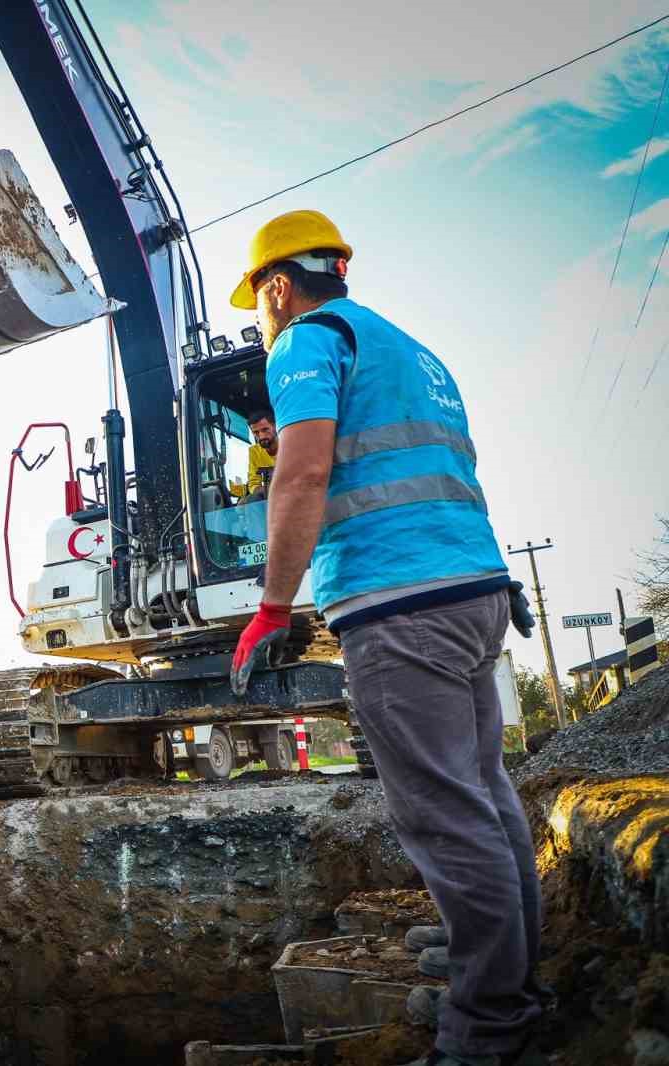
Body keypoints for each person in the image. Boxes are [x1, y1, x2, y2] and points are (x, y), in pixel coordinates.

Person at [226, 211, 543, 1066]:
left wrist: (273, 604)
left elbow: (304, 473)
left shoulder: (302, 342)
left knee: (443, 815)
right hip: (475, 590)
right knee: (482, 792)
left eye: (259, 301)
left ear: (278, 286)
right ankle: (510, 970)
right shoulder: (414, 352)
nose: (261, 317)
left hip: (399, 605)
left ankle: (485, 1031)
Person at [242, 409, 277, 500]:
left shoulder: (290, 446)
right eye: (256, 432)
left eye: (265, 430)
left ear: (275, 427)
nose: (261, 436)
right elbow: (253, 483)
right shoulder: (254, 452)